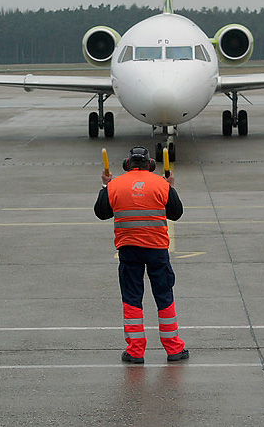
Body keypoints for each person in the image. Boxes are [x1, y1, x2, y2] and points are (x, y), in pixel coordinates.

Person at [94, 146, 189, 364]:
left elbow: (101, 213)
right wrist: (170, 187)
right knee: (164, 298)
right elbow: (177, 213)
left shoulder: (115, 185)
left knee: (132, 299)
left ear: (127, 164)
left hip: (128, 250)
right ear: (151, 165)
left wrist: (105, 185)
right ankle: (173, 349)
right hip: (157, 249)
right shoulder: (161, 184)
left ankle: (135, 351)